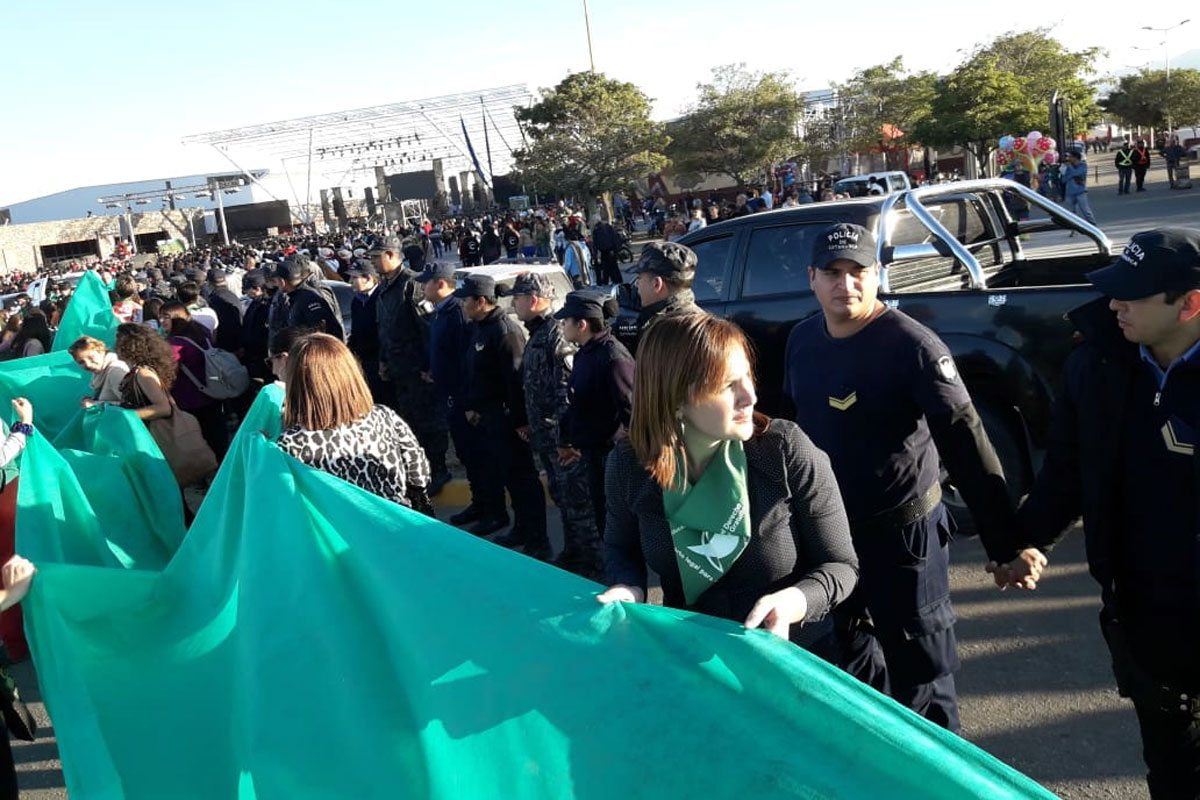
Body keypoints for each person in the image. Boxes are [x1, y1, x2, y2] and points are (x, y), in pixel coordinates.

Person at [783, 222, 1037, 732]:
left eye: (857, 272)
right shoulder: (802, 340)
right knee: (850, 660)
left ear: (877, 275)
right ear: (812, 278)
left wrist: (1006, 544)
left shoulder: (912, 345)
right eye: (832, 273)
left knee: (923, 675)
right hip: (835, 536)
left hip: (907, 540)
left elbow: (966, 443)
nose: (845, 284)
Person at [1013, 228, 1200, 798]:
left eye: (1133, 295)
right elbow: (1068, 467)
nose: (1114, 304)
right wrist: (1024, 541)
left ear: (1190, 304)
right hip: (1145, 613)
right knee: (1172, 772)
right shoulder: (1095, 365)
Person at [599, 313, 858, 661]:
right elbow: (619, 547)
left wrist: (796, 601)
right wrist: (629, 587)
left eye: (748, 376)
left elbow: (841, 566)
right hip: (693, 657)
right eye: (726, 385)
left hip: (794, 658)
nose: (750, 396)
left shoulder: (783, 450)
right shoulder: (630, 464)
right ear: (674, 398)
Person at [276, 333, 433, 514]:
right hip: (395, 527)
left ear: (298, 383)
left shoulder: (292, 444)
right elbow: (419, 475)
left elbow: (289, 508)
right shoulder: (385, 417)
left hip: (339, 537)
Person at [511, 273, 599, 573]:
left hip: (562, 440)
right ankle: (575, 553)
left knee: (579, 503)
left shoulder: (556, 335)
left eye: (518, 297)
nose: (514, 303)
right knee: (563, 499)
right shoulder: (538, 332)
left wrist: (567, 440)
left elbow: (567, 393)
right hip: (547, 437)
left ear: (533, 299)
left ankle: (594, 565)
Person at [455, 275, 548, 548]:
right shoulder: (481, 327)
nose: (462, 305)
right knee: (508, 476)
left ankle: (537, 538)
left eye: (466, 300)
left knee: (522, 477)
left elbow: (515, 380)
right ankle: (521, 528)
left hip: (507, 418)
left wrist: (519, 421)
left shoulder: (504, 331)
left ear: (481, 301)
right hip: (489, 416)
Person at [371, 236, 451, 495]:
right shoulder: (386, 287)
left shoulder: (412, 285)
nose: (373, 262)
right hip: (398, 369)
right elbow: (384, 328)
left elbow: (428, 328)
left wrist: (431, 366)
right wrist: (384, 360)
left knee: (429, 422)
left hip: (418, 369)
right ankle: (421, 471)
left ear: (393, 256)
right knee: (410, 424)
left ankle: (439, 470)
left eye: (377, 256)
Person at [556, 291, 634, 537]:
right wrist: (567, 438)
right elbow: (580, 402)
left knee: (615, 525)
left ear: (582, 324)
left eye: (566, 320)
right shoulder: (586, 352)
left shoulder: (612, 357)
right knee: (602, 520)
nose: (562, 325)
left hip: (610, 457)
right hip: (592, 453)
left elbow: (632, 413)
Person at [114, 322, 218, 493]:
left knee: (167, 489)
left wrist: (128, 415)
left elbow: (163, 408)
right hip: (151, 436)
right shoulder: (142, 371)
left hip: (156, 438)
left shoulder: (143, 374)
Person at [417, 262, 482, 519]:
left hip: (460, 396)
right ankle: (480, 503)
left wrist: (466, 400)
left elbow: (462, 360)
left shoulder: (456, 312)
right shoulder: (442, 311)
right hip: (448, 393)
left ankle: (489, 507)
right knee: (467, 453)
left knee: (473, 452)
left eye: (427, 282)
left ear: (441, 283)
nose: (423, 287)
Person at [159, 302, 228, 459]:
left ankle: (209, 472)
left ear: (177, 318)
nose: (162, 321)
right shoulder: (201, 331)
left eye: (166, 317)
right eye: (160, 317)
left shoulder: (175, 345)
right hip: (213, 389)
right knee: (217, 435)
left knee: (201, 438)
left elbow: (168, 372)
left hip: (190, 398)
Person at [629, 242, 702, 338]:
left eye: (639, 278)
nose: (637, 284)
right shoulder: (698, 323)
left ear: (656, 284)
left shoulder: (666, 330)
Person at [346, 259, 386, 404]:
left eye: (355, 277)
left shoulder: (382, 297)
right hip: (364, 361)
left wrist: (384, 360)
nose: (350, 281)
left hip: (381, 362)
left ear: (368, 278)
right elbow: (356, 331)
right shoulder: (356, 301)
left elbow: (385, 332)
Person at [275, 258, 344, 340]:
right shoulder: (296, 297)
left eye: (276, 281)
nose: (276, 285)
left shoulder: (308, 298)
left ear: (282, 282)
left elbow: (321, 331)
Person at [69, 336, 130, 406]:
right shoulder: (99, 373)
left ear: (101, 351)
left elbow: (132, 405)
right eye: (81, 362)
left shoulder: (115, 371)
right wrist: (94, 400)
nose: (88, 364)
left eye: (91, 357)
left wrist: (95, 404)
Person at [205, 268, 245, 353]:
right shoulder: (232, 295)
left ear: (210, 283)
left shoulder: (214, 299)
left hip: (225, 346)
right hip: (238, 342)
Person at [1061, 150, 1098, 226]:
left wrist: (1070, 168)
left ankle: (1094, 226)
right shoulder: (1068, 167)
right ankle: (1074, 229)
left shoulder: (1082, 165)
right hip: (1069, 192)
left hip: (1080, 192)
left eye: (1070, 157)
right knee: (1071, 213)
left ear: (1075, 158)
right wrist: (1065, 170)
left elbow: (1077, 173)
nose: (1069, 159)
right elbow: (1063, 180)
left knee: (1086, 211)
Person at [591, 218, 623, 285]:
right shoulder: (609, 227)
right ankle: (616, 279)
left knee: (606, 266)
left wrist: (596, 252)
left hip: (603, 250)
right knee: (613, 265)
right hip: (612, 249)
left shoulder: (597, 230)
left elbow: (596, 243)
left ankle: (606, 280)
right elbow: (614, 238)